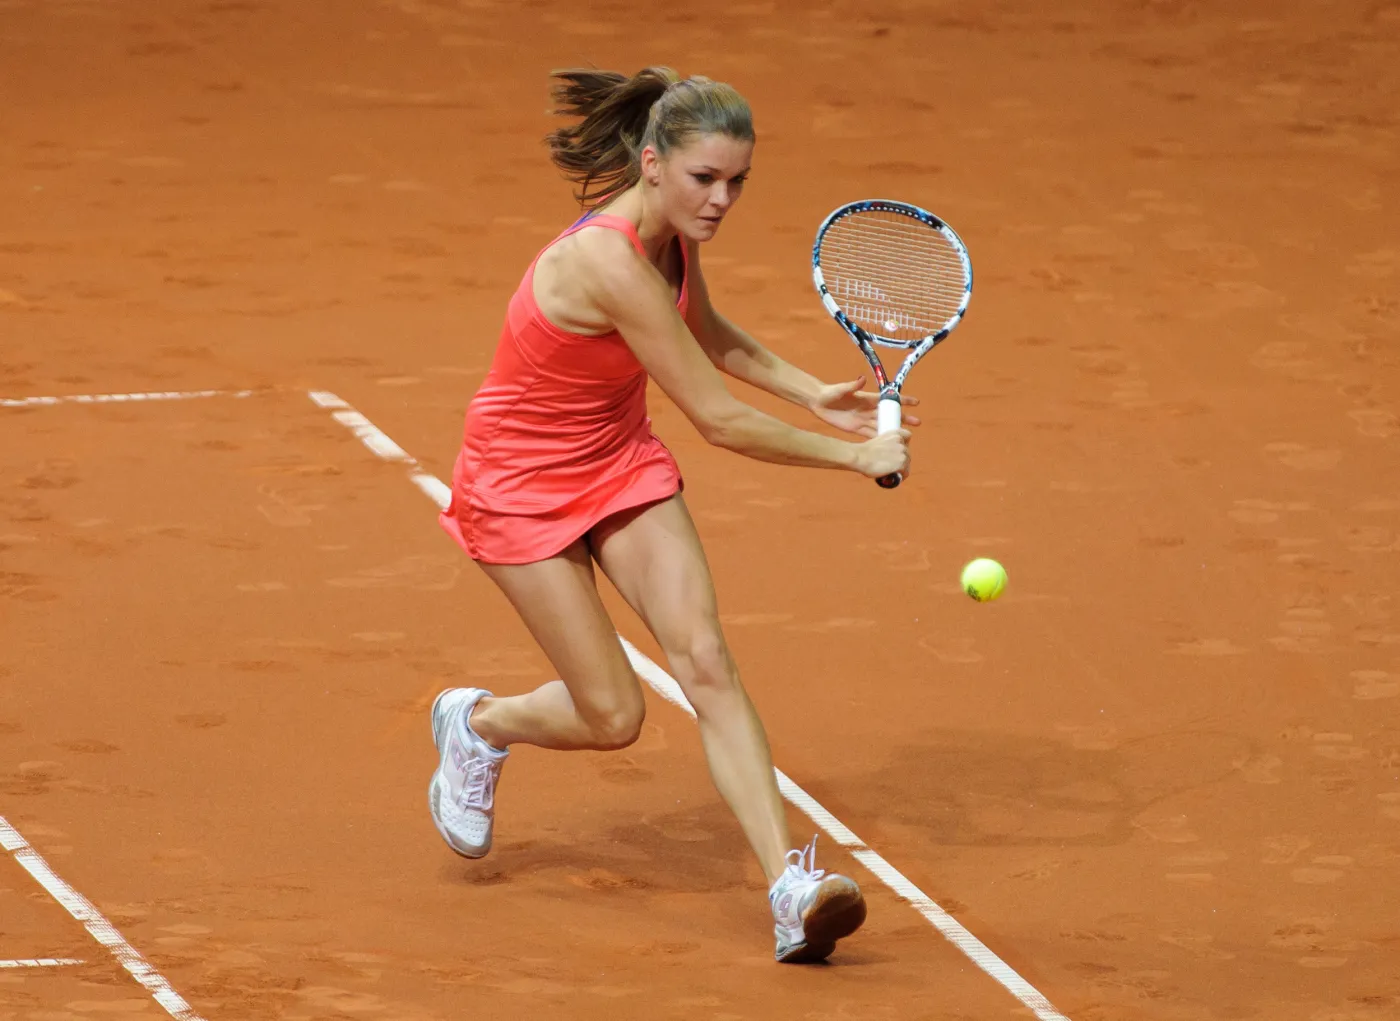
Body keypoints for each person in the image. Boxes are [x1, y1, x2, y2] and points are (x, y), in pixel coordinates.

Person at [429, 65, 916, 964]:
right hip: (518, 483)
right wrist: (854, 457)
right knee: (613, 718)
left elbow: (704, 327)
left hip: (614, 460)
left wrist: (816, 394)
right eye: (705, 179)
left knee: (705, 660)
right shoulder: (605, 259)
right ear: (650, 163)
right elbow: (719, 420)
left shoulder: (674, 237)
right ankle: (479, 723)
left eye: (737, 182)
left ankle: (789, 887)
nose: (723, 199)